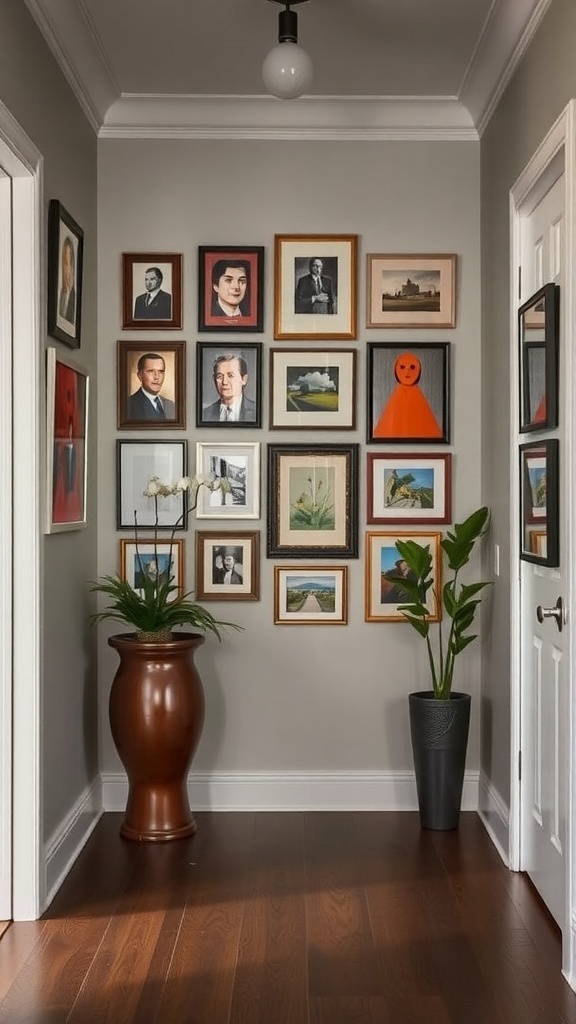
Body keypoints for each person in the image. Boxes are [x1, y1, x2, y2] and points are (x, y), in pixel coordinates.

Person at [373, 352, 443, 439]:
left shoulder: (419, 399)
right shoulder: (395, 399)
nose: (407, 371)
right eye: (402, 367)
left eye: (412, 367)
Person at [203, 353, 256, 422]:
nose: (224, 382)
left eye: (230, 375)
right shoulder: (205, 413)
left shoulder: (257, 410)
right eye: (219, 376)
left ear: (244, 379)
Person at [128, 353, 176, 420]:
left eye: (161, 372)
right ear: (140, 375)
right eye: (151, 371)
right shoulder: (129, 405)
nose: (156, 377)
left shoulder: (171, 406)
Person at [58, 235, 76, 324]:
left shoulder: (73, 296)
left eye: (70, 263)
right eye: (66, 263)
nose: (68, 269)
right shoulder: (61, 295)